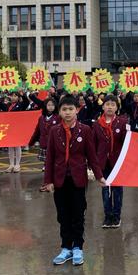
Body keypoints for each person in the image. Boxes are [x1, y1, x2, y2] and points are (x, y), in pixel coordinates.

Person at [44, 95, 106, 265]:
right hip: (59, 179)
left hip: (78, 179)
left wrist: (99, 175)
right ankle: (66, 248)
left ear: (77, 111)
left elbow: (92, 156)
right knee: (63, 216)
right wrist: (48, 180)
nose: (68, 112)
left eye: (71, 109)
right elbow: (50, 157)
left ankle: (78, 247)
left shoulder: (85, 130)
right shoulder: (54, 131)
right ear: (59, 112)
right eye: (64, 109)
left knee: (78, 214)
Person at [92, 94, 129, 228]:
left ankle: (116, 216)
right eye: (107, 104)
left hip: (117, 163)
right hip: (102, 163)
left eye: (113, 105)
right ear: (103, 106)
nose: (110, 107)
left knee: (117, 190)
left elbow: (127, 143)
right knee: (105, 190)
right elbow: (93, 145)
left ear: (117, 108)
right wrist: (93, 163)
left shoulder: (122, 122)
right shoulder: (96, 125)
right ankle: (108, 216)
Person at [29, 97, 59, 191]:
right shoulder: (41, 118)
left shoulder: (58, 118)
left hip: (55, 145)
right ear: (45, 106)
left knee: (54, 165)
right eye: (48, 105)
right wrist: (31, 142)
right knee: (47, 165)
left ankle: (54, 182)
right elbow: (37, 131)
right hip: (44, 144)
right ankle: (47, 183)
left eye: (52, 105)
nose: (50, 107)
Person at [5, 91, 29, 173]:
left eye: (15, 96)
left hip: (18, 127)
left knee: (17, 146)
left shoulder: (21, 104)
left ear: (18, 97)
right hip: (9, 127)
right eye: (12, 96)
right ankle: (11, 164)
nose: (13, 97)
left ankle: (17, 164)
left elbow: (27, 102)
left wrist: (23, 94)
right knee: (10, 146)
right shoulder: (8, 105)